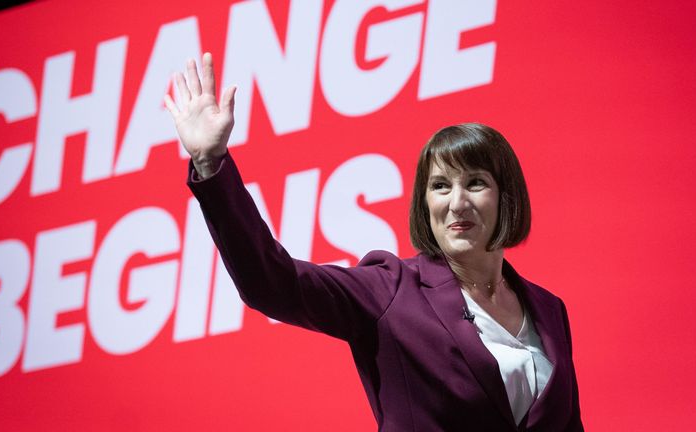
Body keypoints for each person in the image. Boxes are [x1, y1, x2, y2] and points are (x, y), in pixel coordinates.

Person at [165, 53, 584, 431]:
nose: (457, 203)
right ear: (425, 203)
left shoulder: (549, 309)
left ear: (506, 195)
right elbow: (273, 283)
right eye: (440, 186)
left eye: (475, 184)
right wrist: (210, 164)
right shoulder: (392, 290)